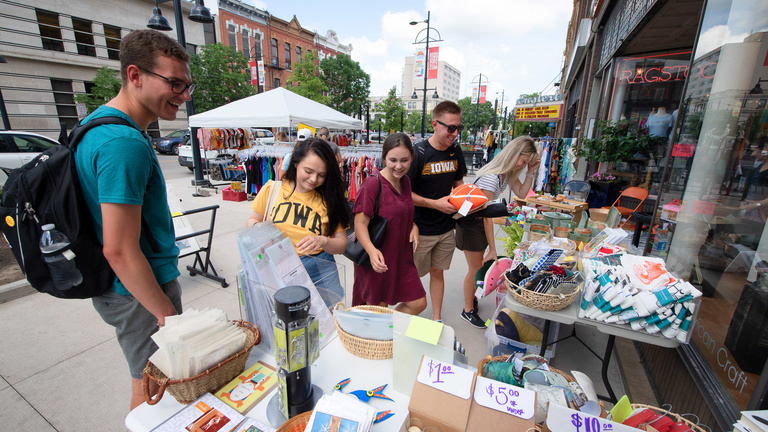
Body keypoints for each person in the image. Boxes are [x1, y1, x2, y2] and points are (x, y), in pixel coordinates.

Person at [73, 30, 188, 409]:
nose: (183, 95)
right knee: (153, 392)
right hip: (139, 292)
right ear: (135, 76)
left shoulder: (96, 126)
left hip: (125, 290)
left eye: (187, 85)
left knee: (152, 384)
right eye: (173, 83)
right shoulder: (123, 144)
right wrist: (167, 314)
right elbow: (120, 249)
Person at [246, 138, 349, 306]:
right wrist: (260, 228)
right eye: (308, 171)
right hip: (277, 265)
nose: (314, 179)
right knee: (284, 320)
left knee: (327, 322)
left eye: (322, 175)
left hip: (319, 268)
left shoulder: (330, 200)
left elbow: (341, 244)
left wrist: (324, 241)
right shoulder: (273, 189)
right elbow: (252, 220)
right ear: (295, 163)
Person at [456, 136, 540, 328]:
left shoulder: (506, 173)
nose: (523, 164)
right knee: (475, 269)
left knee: (477, 266)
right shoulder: (492, 178)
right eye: (523, 160)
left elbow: (521, 192)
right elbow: (487, 215)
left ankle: (471, 301)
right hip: (471, 224)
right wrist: (492, 249)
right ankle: (467, 310)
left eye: (526, 162)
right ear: (513, 154)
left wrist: (530, 172)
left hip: (477, 222)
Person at [351, 133, 427, 314]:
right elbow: (359, 224)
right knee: (378, 308)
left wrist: (413, 226)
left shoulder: (406, 182)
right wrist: (371, 251)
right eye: (393, 160)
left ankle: (387, 330)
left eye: (404, 160)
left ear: (411, 159)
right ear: (384, 158)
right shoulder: (372, 184)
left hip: (401, 257)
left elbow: (402, 211)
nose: (399, 166)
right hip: (377, 258)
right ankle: (381, 338)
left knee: (418, 302)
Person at [406, 101, 467, 322]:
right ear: (435, 124)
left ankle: (437, 318)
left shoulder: (455, 150)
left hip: (446, 228)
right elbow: (404, 194)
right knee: (413, 276)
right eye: (451, 127)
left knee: (438, 272)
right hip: (419, 230)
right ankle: (407, 317)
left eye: (459, 127)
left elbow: (459, 183)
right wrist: (434, 203)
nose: (455, 133)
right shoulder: (418, 153)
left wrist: (469, 202)